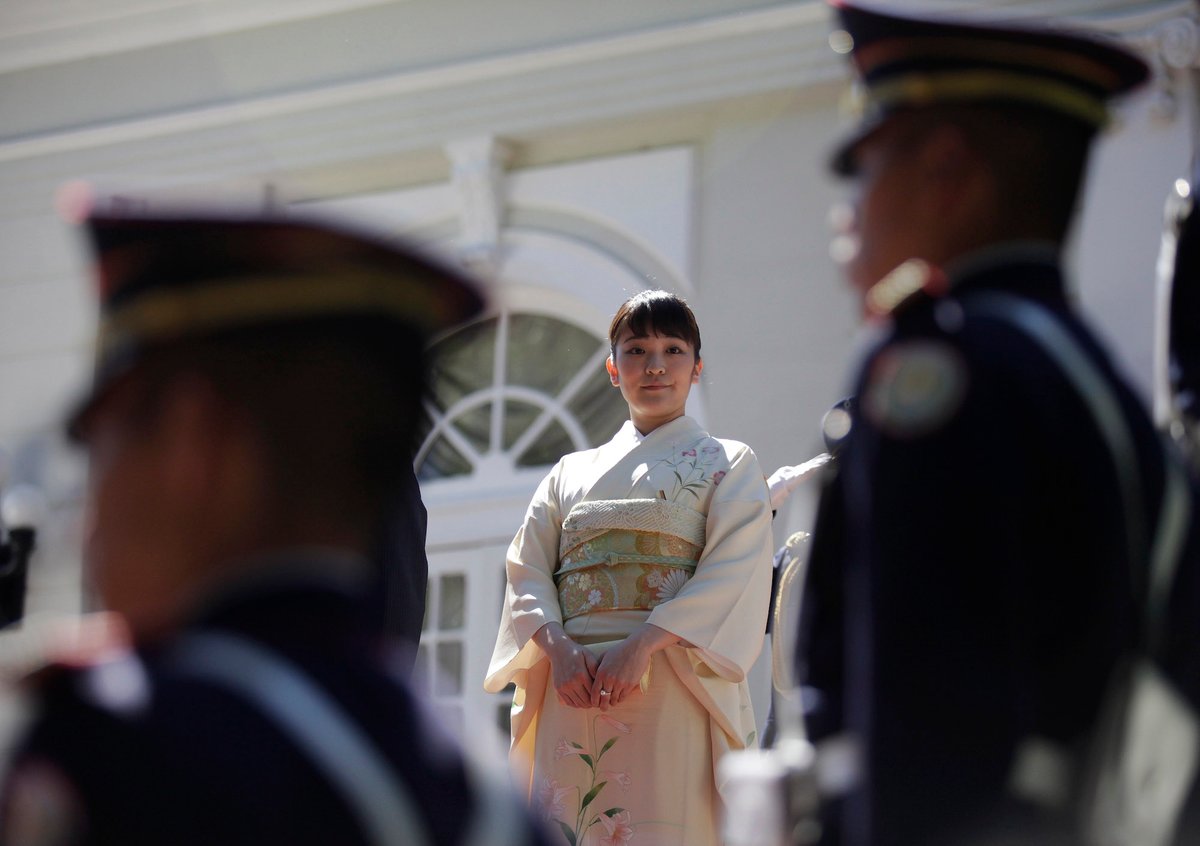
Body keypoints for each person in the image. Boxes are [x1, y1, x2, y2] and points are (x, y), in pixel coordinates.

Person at [0, 202, 554, 846]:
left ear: (192, 439)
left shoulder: (123, 739)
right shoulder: (492, 801)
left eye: (99, 445)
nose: (85, 510)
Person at [795, 3, 1200, 845]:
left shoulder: (945, 372)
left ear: (945, 168)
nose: (849, 211)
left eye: (864, 168)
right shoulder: (1089, 381)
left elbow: (927, 741)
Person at [485, 289, 774, 845]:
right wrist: (559, 651)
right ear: (613, 368)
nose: (656, 365)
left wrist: (641, 646)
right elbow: (527, 567)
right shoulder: (568, 471)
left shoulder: (729, 462)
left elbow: (732, 571)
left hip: (669, 677)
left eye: (673, 350)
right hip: (573, 684)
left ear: (697, 367)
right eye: (637, 350)